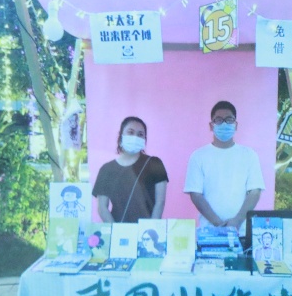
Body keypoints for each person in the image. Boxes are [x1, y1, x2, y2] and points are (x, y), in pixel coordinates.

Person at [184, 100, 264, 233]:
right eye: (219, 120)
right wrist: (218, 223)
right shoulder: (198, 156)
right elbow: (196, 195)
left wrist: (237, 221)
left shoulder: (249, 155)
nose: (224, 124)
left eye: (229, 119)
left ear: (236, 125)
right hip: (209, 232)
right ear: (211, 125)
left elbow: (255, 192)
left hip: (241, 231)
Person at [92, 116, 169, 223]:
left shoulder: (155, 164)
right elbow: (102, 208)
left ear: (145, 139)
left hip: (147, 229)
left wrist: (150, 227)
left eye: (140, 134)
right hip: (117, 228)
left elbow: (160, 202)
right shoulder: (106, 169)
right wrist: (116, 229)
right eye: (130, 132)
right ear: (121, 136)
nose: (135, 137)